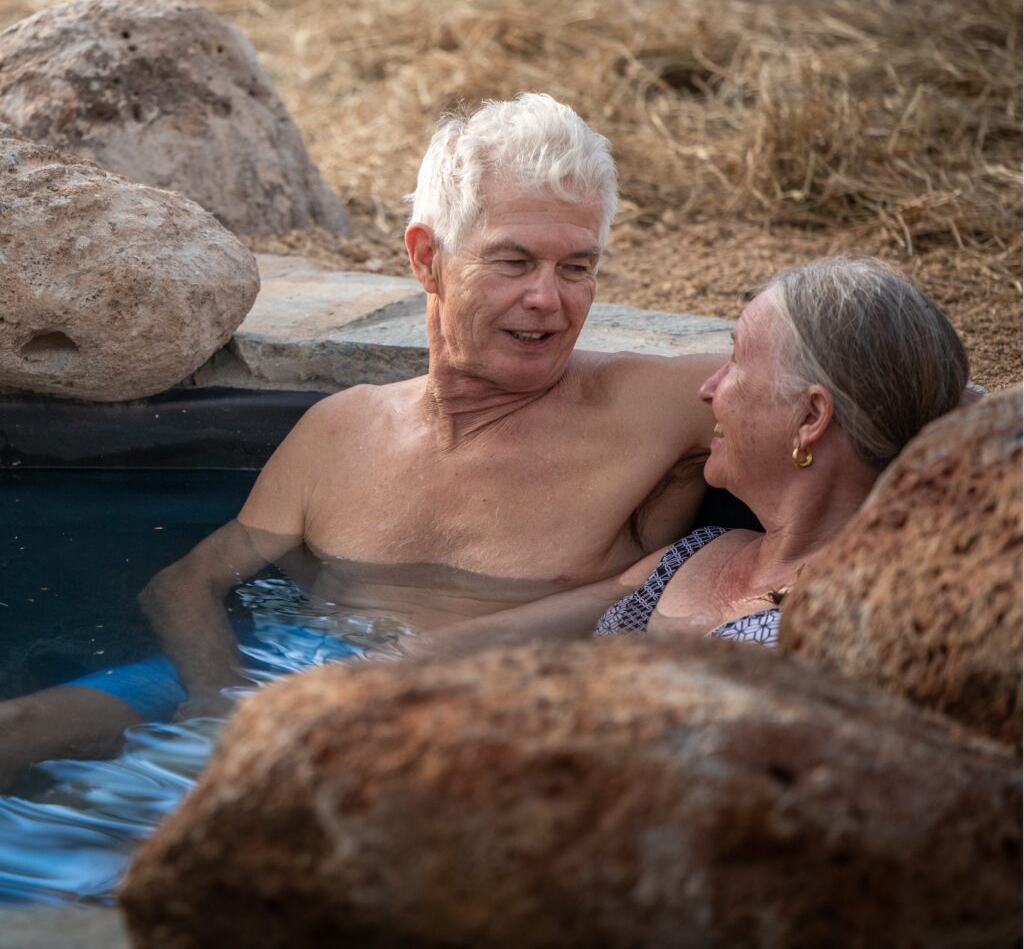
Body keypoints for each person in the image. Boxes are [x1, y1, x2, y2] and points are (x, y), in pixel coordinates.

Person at [0, 93, 723, 786]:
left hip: (476, 716)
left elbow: (817, 395)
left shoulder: (649, 407)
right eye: (513, 261)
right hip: (284, 669)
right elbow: (186, 584)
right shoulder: (344, 428)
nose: (548, 299)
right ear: (425, 258)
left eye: (577, 267)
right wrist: (220, 711)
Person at [411, 256, 970, 658]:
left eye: (737, 363)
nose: (708, 389)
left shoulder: (848, 623)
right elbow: (464, 646)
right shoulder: (702, 553)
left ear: (811, 418)